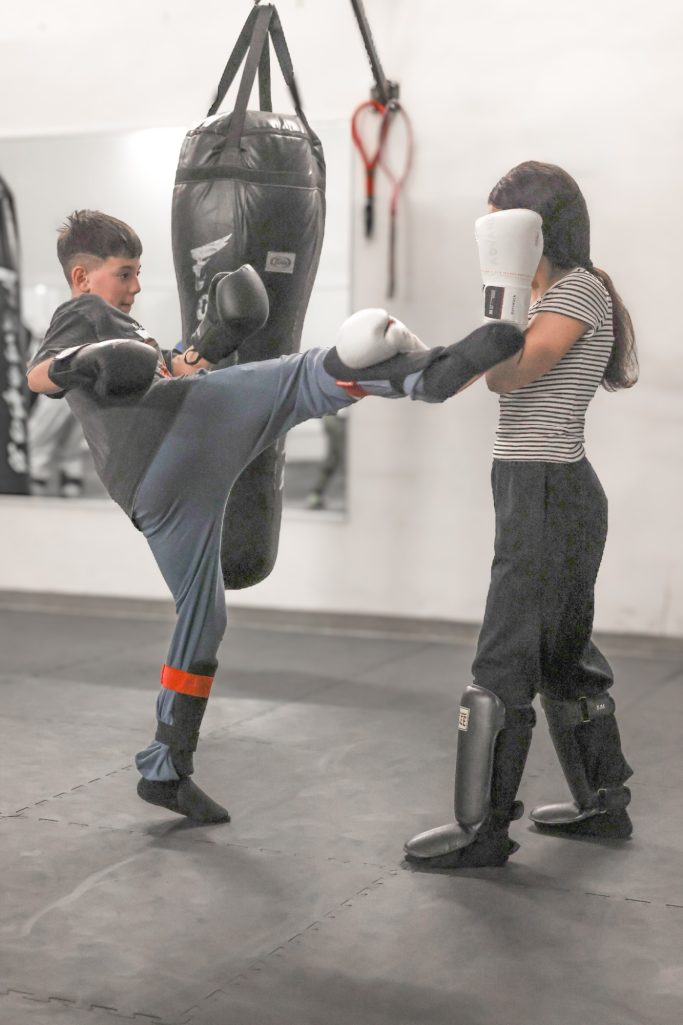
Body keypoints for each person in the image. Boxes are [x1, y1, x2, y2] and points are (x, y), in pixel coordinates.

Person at [26, 209, 527, 825]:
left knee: (204, 618)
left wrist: (206, 346)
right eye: (124, 273)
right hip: (169, 440)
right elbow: (38, 375)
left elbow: (170, 370)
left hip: (154, 494)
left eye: (137, 273)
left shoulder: (128, 331)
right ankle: (428, 376)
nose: (133, 286)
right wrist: (76, 363)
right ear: (82, 276)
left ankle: (166, 766)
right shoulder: (82, 314)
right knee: (298, 378)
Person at [404, 160, 639, 870]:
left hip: (547, 488)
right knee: (562, 654)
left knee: (504, 657)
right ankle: (603, 802)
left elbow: (510, 373)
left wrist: (496, 312)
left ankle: (480, 830)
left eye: (497, 223)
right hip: (539, 488)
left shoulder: (576, 290)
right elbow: (498, 367)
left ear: (534, 228)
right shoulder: (547, 296)